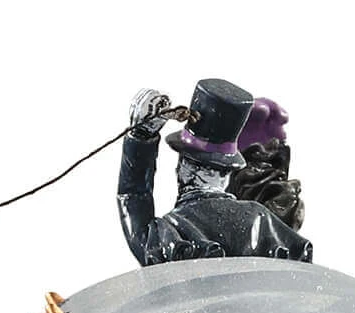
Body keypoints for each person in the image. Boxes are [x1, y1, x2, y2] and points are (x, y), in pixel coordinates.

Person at [117, 78, 313, 267]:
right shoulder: (265, 221)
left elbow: (133, 196)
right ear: (227, 173)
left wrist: (140, 136)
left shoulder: (171, 232)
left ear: (186, 172)